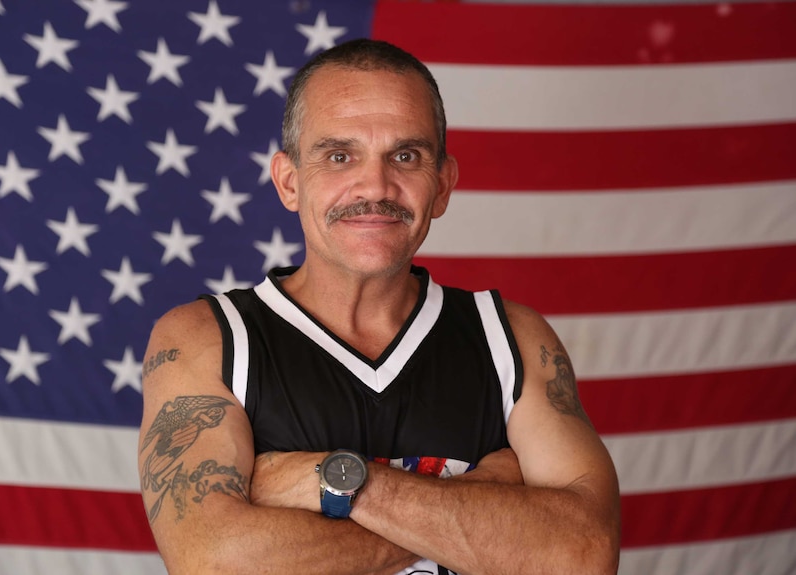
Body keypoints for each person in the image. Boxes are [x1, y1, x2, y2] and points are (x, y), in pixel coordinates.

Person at [138, 38, 620, 574]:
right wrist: (476, 503)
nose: (375, 184)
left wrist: (334, 480)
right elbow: (213, 562)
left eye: (406, 155)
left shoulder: (511, 338)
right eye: (340, 156)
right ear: (289, 181)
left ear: (442, 186)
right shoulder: (208, 338)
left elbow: (583, 555)